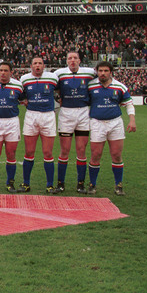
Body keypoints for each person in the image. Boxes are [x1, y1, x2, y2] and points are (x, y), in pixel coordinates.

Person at [86, 61, 136, 196]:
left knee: (116, 155)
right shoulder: (90, 86)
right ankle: (92, 184)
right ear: (97, 71)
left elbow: (129, 104)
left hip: (115, 123)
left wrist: (132, 120)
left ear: (110, 72)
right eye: (100, 71)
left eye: (106, 71)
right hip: (97, 123)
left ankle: (118, 185)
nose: (103, 73)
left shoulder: (120, 87)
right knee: (96, 155)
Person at [54, 51, 97, 194]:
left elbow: (103, 78)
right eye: (70, 58)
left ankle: (80, 184)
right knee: (64, 151)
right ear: (66, 61)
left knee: (81, 150)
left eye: (75, 58)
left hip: (83, 113)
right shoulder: (59, 73)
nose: (72, 60)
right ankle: (60, 184)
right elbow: (50, 87)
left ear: (79, 60)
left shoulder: (90, 73)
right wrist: (56, 97)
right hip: (66, 113)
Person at [18, 57, 60, 193]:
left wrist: (60, 100)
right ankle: (25, 183)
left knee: (47, 152)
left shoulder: (53, 78)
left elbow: (60, 91)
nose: (37, 65)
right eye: (35, 63)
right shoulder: (24, 79)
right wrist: (23, 100)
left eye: (40, 63)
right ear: (31, 66)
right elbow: (20, 94)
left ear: (44, 65)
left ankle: (49, 185)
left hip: (48, 115)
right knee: (29, 152)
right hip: (31, 115)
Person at [0, 62, 26, 192]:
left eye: (6, 71)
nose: (3, 73)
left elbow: (23, 100)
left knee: (11, 153)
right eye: (1, 70)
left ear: (11, 72)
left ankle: (10, 183)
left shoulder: (18, 86)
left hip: (12, 122)